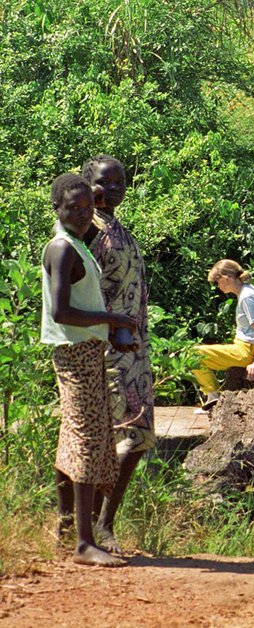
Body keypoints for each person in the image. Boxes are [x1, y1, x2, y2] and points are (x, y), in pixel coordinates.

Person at [41, 173, 135, 567]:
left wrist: (105, 328)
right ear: (57, 209)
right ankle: (83, 543)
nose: (82, 214)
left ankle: (67, 531)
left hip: (87, 349)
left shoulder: (79, 244)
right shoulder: (62, 249)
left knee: (80, 438)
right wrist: (111, 318)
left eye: (87, 208)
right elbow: (62, 311)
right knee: (86, 439)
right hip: (74, 353)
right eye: (73, 208)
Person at [81, 155, 154, 554]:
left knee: (135, 438)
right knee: (122, 438)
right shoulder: (87, 227)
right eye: (103, 182)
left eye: (119, 182)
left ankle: (98, 524)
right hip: (108, 347)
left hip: (134, 348)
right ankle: (96, 527)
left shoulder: (116, 227)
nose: (112, 189)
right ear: (87, 184)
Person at [190, 260, 254, 412]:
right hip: (245, 347)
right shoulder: (248, 291)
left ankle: (213, 397)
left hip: (247, 351)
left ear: (225, 278)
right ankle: (213, 396)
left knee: (193, 354)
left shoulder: (247, 297)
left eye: (217, 282)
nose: (217, 286)